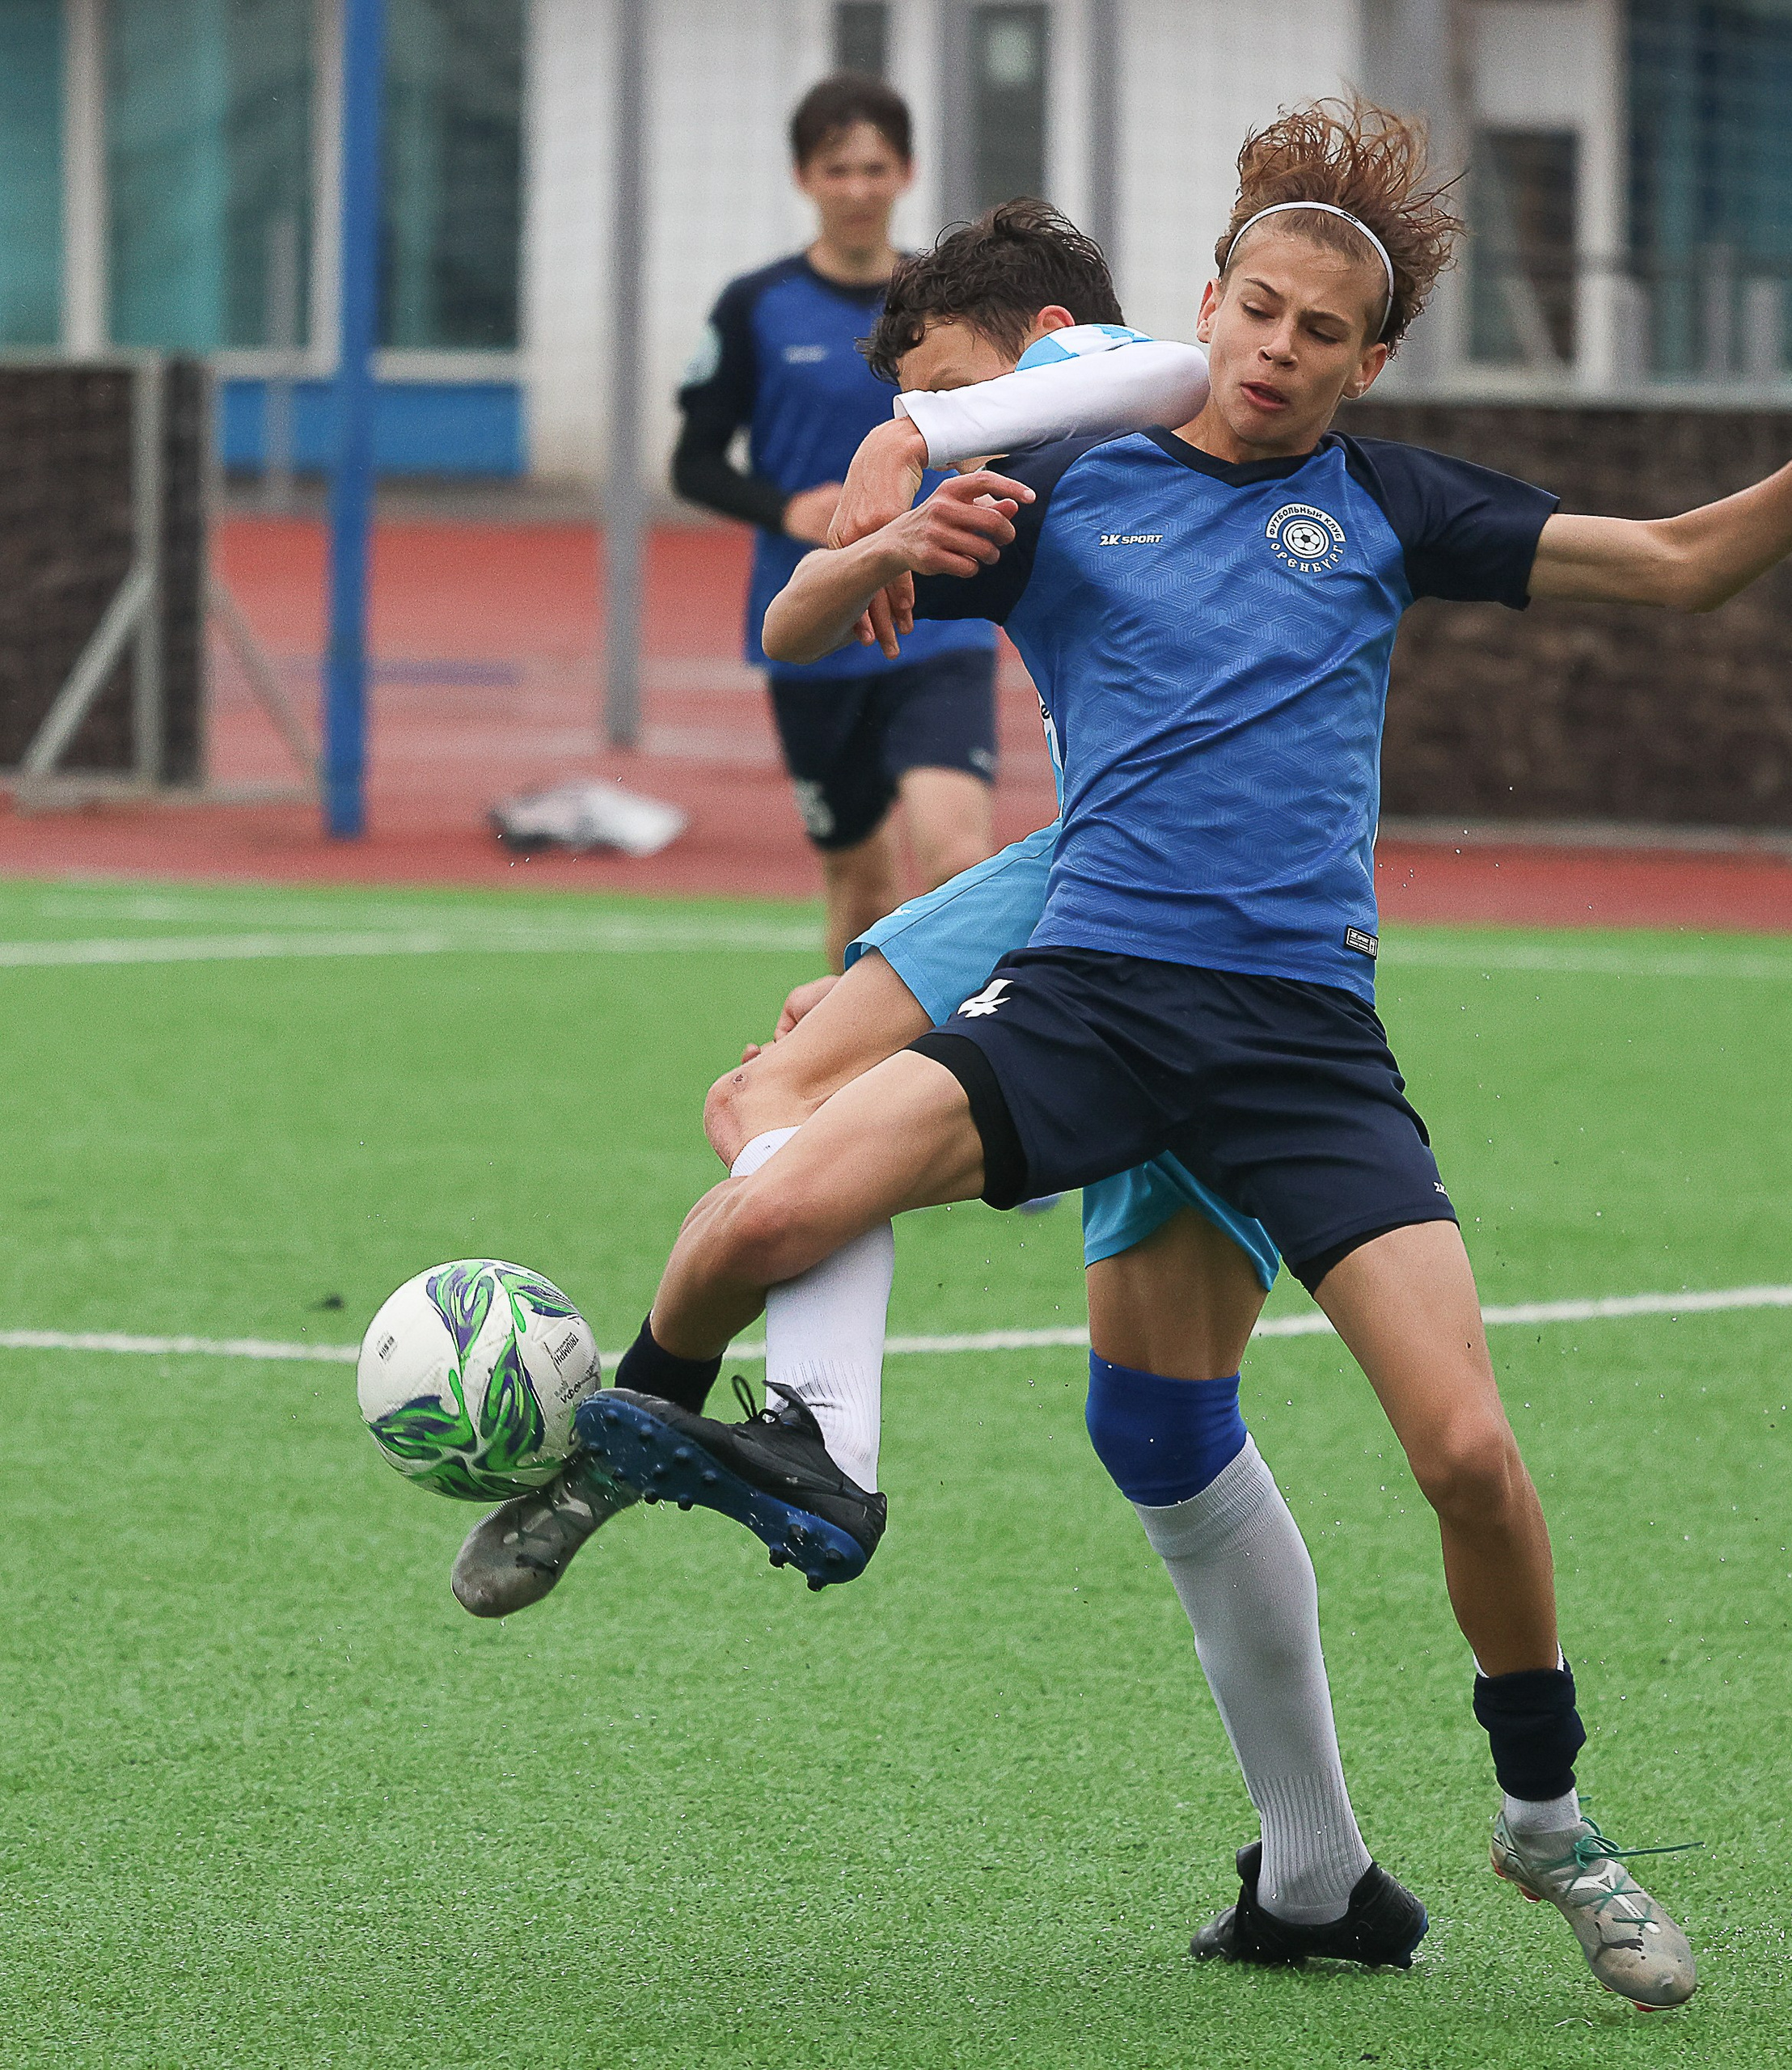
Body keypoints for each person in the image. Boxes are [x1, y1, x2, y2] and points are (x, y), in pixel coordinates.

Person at [604, 102, 1792, 1999]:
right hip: (1093, 992)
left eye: (1315, 330)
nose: (1274, 347)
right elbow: (805, 602)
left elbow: (1675, 567)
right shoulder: (1071, 480)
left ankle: (1539, 1823)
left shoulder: (1390, 505)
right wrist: (882, 520)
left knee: (1460, 1449)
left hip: (1292, 1049)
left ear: (1364, 361)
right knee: (964, 1283)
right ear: (1204, 311)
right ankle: (713, 1444)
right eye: (1250, 311)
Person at [456, 206, 1401, 1962]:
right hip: (1090, 885)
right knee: (801, 1109)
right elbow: (819, 601)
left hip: (1164, 922)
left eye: (957, 376)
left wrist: (925, 434)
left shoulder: (1115, 381)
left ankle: (779, 1430)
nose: (956, 418)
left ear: (1038, 336)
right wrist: (886, 502)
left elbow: (1135, 363)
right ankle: (1314, 1871)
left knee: (831, 1133)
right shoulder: (1088, 442)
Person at [670, 74, 1004, 970]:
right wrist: (788, 507)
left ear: (907, 173)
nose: (857, 187)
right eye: (837, 169)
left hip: (940, 621)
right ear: (803, 178)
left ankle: (954, 1082)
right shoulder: (756, 307)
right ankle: (846, 1086)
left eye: (874, 167)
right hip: (815, 626)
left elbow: (999, 428)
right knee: (860, 890)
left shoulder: (950, 306)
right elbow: (692, 462)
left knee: (957, 859)